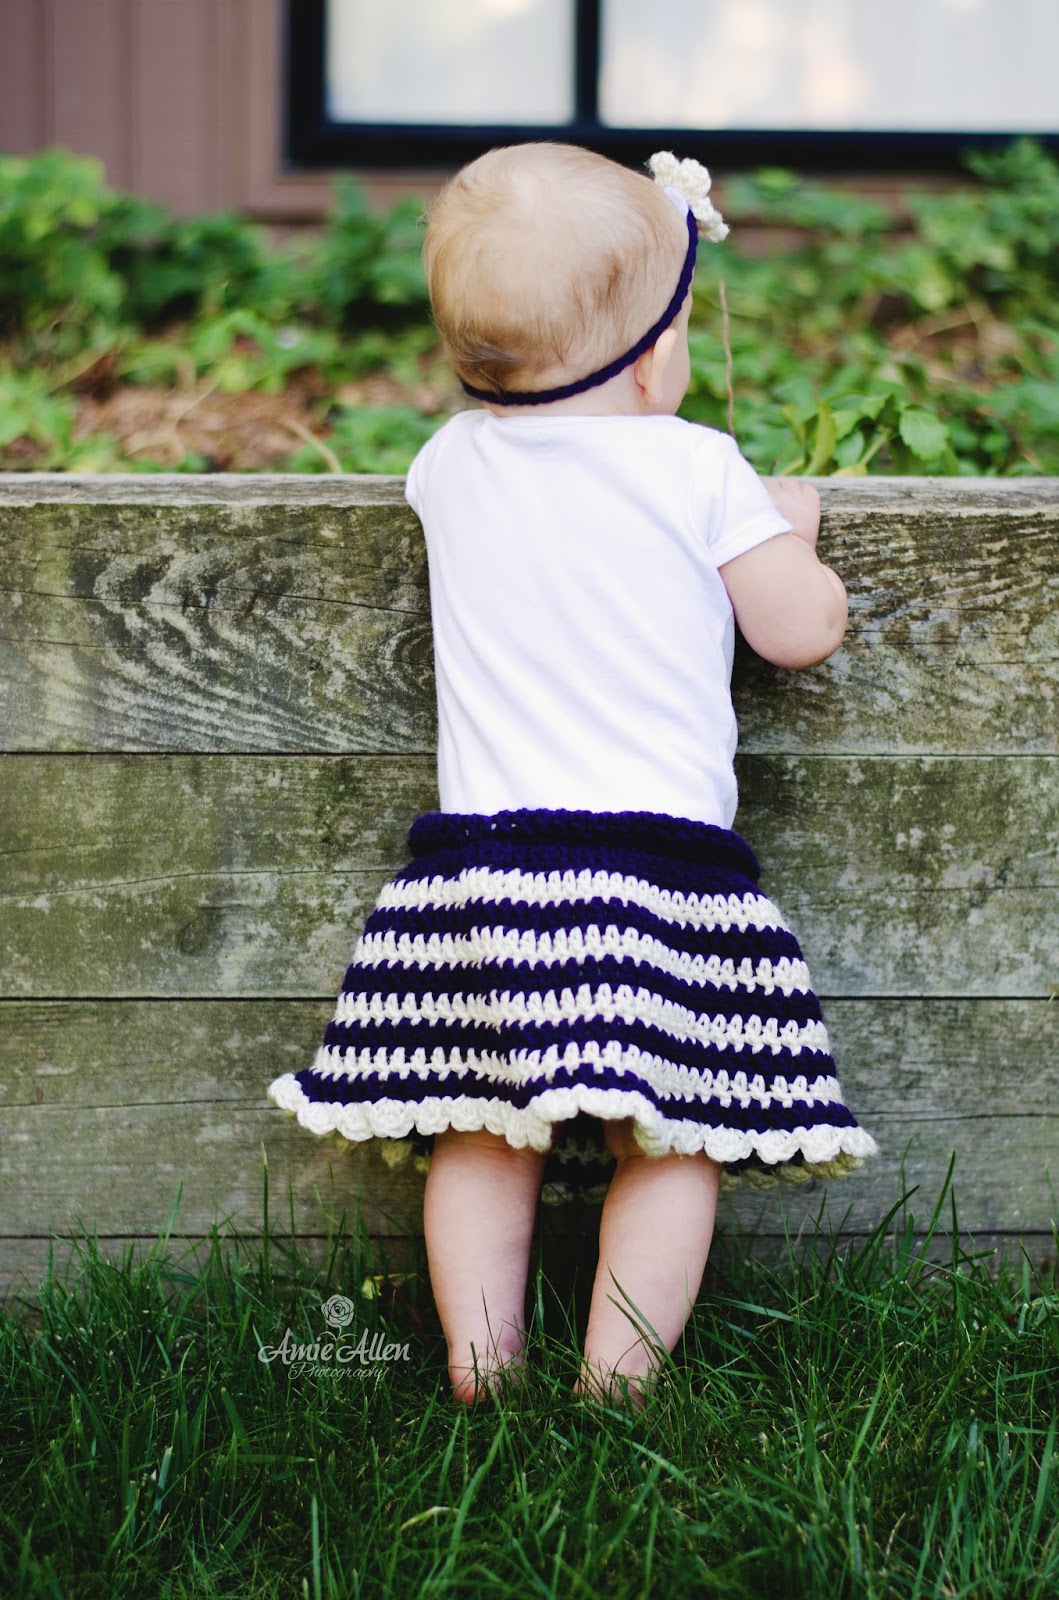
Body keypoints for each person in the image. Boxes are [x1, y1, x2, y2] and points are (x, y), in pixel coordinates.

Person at [268, 142, 878, 1412]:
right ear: (656, 362)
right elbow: (799, 630)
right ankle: (618, 1383)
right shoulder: (700, 470)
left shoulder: (449, 463)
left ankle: (480, 1367)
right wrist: (793, 529)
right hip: (655, 878)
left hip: (485, 878)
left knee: (484, 1128)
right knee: (673, 1135)